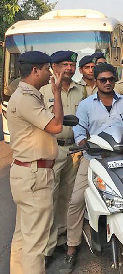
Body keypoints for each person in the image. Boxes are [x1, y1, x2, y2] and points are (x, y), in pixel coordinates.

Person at [59, 63, 123, 273]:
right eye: (102, 80)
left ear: (115, 79)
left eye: (110, 79)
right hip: (94, 157)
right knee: (77, 200)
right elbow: (79, 129)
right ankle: (71, 247)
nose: (107, 83)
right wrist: (81, 141)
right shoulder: (86, 105)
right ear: (95, 81)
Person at [7, 51, 63, 274]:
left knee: (23, 237)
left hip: (26, 173)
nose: (50, 74)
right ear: (35, 70)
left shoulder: (23, 95)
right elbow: (56, 126)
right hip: (34, 175)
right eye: (47, 69)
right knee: (35, 244)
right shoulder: (26, 99)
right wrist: (57, 93)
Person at [40, 51, 85, 263]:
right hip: (52, 150)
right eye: (64, 64)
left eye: (72, 64)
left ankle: (65, 239)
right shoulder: (42, 90)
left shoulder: (81, 90)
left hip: (74, 151)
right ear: (54, 67)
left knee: (69, 199)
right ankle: (47, 248)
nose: (69, 68)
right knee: (49, 199)